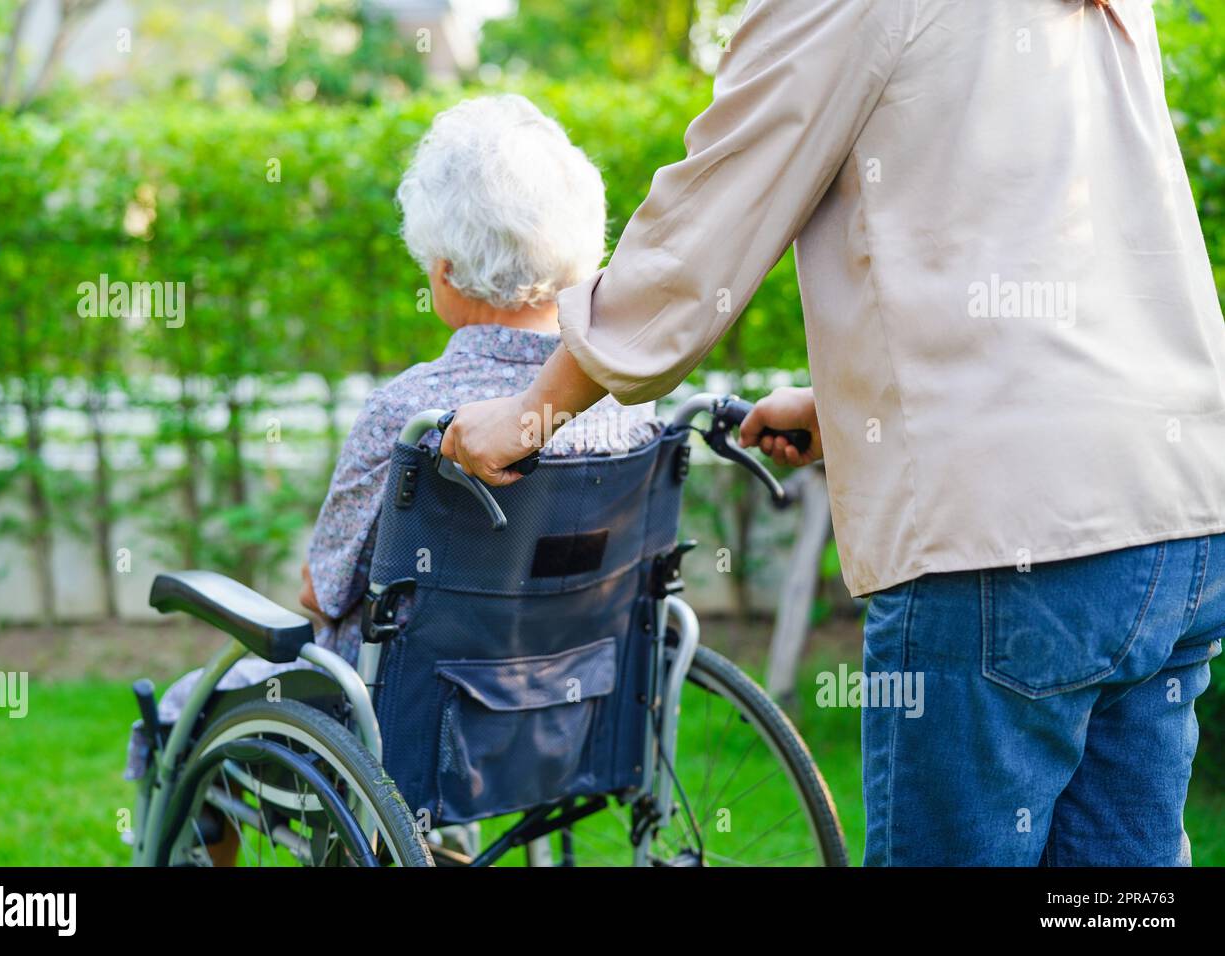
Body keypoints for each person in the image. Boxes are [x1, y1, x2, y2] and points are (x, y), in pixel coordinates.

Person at [440, 0, 1225, 866]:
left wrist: (529, 411)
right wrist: (844, 406)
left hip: (1005, 541)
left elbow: (699, 236)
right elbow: (1062, 239)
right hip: (1176, 512)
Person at [125, 97, 658, 861]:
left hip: (392, 724)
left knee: (180, 716)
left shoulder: (408, 412)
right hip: (565, 710)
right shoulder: (626, 412)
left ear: (442, 272)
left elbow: (326, 591)